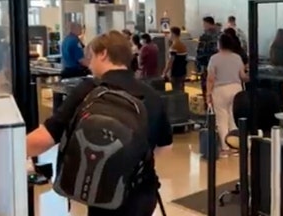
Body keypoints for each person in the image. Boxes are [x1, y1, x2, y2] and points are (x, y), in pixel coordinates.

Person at [26, 30, 173, 216]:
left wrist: (10, 152)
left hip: (103, 191)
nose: (90, 63)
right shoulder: (151, 95)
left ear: (103, 53)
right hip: (142, 193)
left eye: (92, 56)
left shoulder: (89, 90)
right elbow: (164, 146)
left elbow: (46, 137)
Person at [206, 34, 249, 158]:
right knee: (233, 118)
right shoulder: (237, 58)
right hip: (236, 89)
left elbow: (210, 78)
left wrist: (208, 94)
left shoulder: (214, 59)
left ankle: (225, 148)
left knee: (221, 119)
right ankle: (235, 146)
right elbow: (243, 76)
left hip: (220, 90)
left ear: (220, 44)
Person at [196, 16, 220, 95]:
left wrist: (199, 67)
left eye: (204, 24)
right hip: (219, 66)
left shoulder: (205, 36)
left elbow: (200, 53)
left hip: (207, 66)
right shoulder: (220, 35)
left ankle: (208, 105)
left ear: (207, 24)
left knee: (207, 88)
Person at [163, 27, 188, 91]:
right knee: (181, 90)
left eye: (169, 33)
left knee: (176, 91)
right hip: (183, 71)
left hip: (176, 72)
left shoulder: (174, 46)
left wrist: (165, 72)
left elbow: (170, 61)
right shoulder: (183, 45)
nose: (168, 35)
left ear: (173, 34)